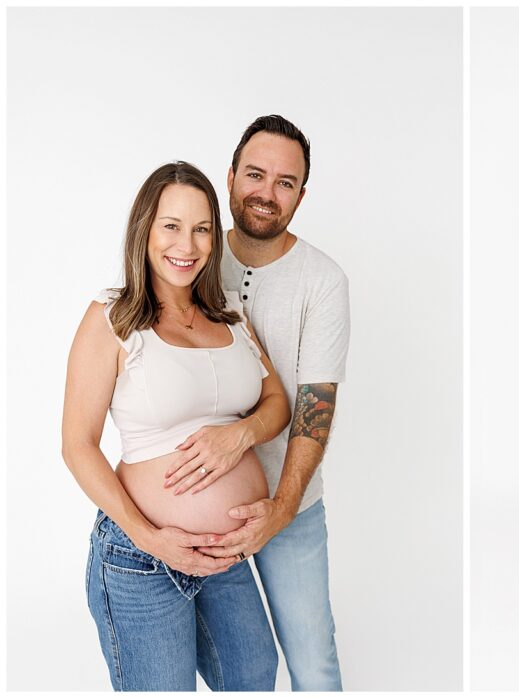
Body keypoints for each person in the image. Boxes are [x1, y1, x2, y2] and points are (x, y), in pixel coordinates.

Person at [62, 161, 291, 690]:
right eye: (171, 226)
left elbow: (276, 401)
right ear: (145, 229)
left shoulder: (228, 313)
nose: (186, 245)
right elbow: (77, 446)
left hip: (224, 557)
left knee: (254, 676)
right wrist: (149, 537)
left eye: (201, 228)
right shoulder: (112, 318)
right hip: (143, 556)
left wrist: (241, 433)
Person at [167, 115, 350, 690]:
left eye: (285, 182)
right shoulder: (189, 258)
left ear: (300, 195)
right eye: (255, 174)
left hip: (288, 505)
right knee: (237, 671)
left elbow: (314, 410)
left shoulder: (323, 281)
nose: (266, 193)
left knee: (313, 662)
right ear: (229, 177)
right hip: (195, 507)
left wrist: (282, 508)